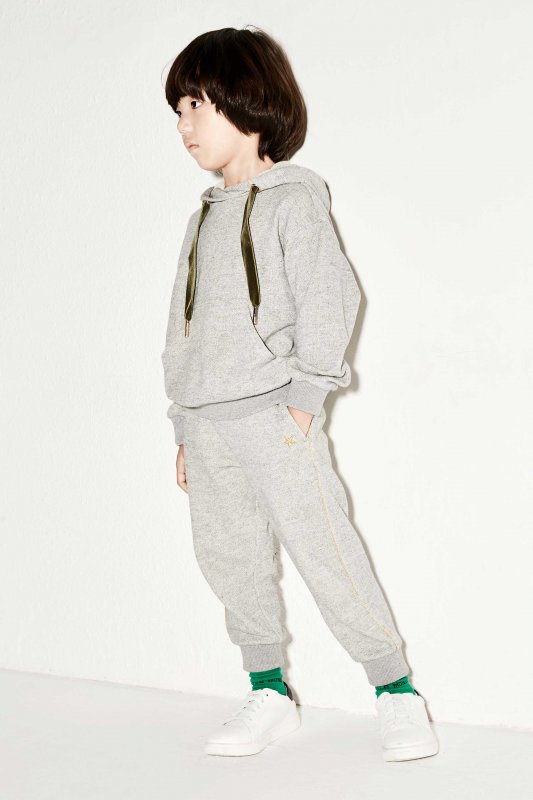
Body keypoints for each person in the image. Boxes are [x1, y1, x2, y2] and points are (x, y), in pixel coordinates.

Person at [161, 25, 439, 762]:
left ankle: (396, 692)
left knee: (326, 552)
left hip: (273, 419)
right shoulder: (201, 218)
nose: (184, 125)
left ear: (244, 100)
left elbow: (330, 298)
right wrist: (183, 424)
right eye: (178, 111)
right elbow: (182, 328)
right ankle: (268, 691)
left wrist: (303, 401)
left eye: (196, 105)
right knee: (230, 562)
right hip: (209, 425)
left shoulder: (294, 202)